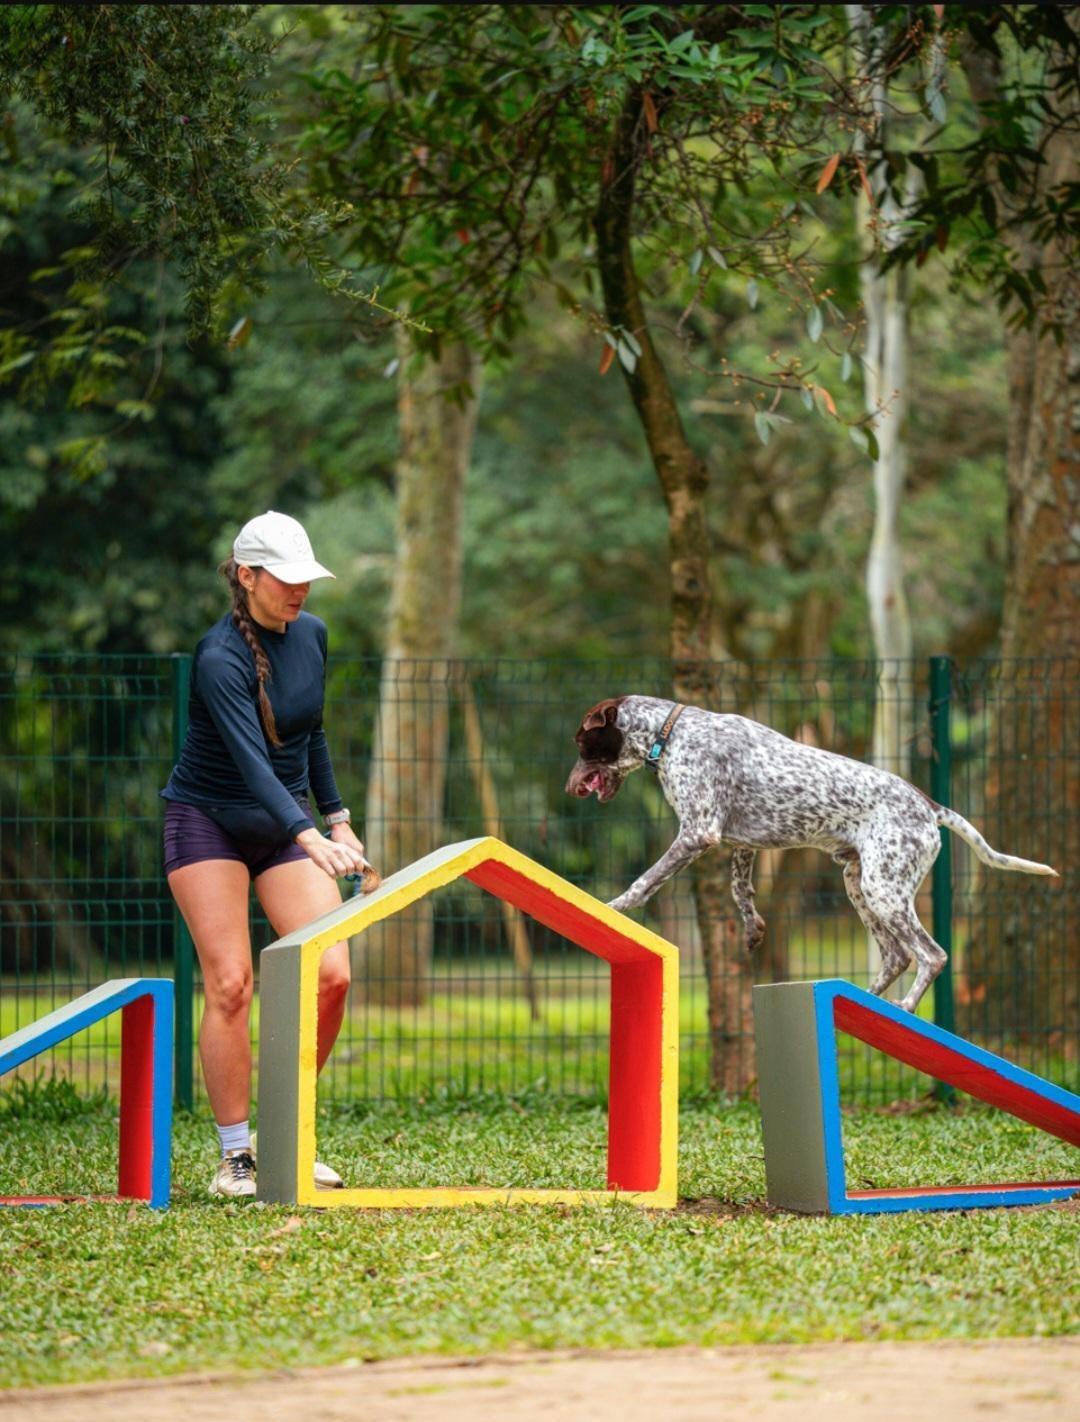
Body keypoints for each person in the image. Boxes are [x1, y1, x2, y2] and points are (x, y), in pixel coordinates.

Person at [162, 510, 370, 1198]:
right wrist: (306, 834)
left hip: (287, 827)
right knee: (231, 985)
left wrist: (336, 820)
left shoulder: (312, 634)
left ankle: (283, 1129)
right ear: (246, 576)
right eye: (284, 580)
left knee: (332, 973)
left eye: (306, 579)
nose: (299, 592)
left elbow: (309, 734)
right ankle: (234, 1158)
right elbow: (252, 763)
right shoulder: (218, 656)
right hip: (208, 822)